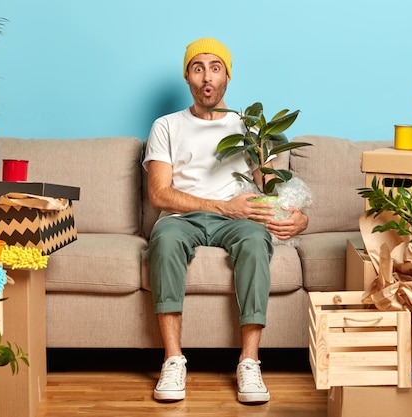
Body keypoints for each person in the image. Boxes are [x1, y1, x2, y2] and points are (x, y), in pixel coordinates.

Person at [142, 37, 308, 404]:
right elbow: (159, 195)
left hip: (239, 220)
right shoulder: (166, 126)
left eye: (215, 68)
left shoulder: (248, 128)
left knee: (254, 240)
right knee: (165, 240)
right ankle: (172, 360)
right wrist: (223, 207)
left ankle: (249, 362)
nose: (207, 77)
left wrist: (300, 218)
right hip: (181, 217)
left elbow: (272, 193)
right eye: (198, 68)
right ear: (187, 76)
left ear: (227, 77)